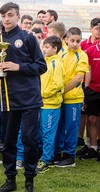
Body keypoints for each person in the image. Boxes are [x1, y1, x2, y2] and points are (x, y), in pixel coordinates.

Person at [0, 2, 47, 192]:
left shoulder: (28, 38)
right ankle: (10, 180)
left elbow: (41, 66)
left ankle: (29, 180)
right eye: (3, 15)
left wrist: (18, 66)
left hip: (30, 99)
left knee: (29, 140)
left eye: (10, 15)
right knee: (7, 142)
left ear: (17, 17)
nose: (6, 19)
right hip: (8, 99)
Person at [55, 27, 88, 167]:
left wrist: (62, 91)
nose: (75, 44)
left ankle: (70, 156)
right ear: (66, 40)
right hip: (57, 98)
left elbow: (78, 78)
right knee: (59, 126)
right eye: (72, 40)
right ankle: (57, 153)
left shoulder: (82, 55)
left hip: (73, 99)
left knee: (71, 127)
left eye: (78, 41)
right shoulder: (60, 51)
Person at [37, 36, 65, 173]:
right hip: (42, 104)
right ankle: (45, 156)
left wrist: (43, 94)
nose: (44, 49)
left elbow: (58, 84)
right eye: (44, 46)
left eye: (47, 47)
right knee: (42, 132)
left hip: (51, 105)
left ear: (55, 49)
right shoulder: (45, 62)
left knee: (48, 132)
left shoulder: (56, 64)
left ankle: (46, 160)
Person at [77, 18, 100, 152]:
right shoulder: (91, 50)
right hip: (92, 90)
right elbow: (88, 71)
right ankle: (92, 147)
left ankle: (99, 143)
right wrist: (86, 89)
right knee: (91, 118)